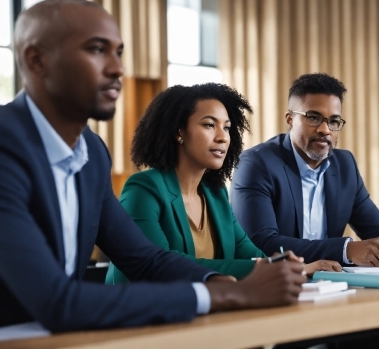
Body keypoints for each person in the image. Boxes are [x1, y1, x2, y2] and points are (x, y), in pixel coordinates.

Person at [0, 0, 306, 332]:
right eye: (97, 50)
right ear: (37, 60)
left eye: (119, 52)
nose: (117, 69)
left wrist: (225, 282)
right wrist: (226, 295)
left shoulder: (92, 152)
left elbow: (144, 258)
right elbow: (58, 302)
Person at [106, 84, 340, 284]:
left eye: (227, 127)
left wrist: (296, 266)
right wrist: (269, 269)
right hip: (140, 323)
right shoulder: (144, 189)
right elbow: (158, 265)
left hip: (202, 315)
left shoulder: (215, 194)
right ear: (179, 132)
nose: (223, 137)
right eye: (209, 125)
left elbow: (250, 255)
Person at [231, 73, 379, 268]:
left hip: (332, 285)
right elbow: (262, 244)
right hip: (275, 286)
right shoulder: (257, 164)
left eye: (333, 121)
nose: (325, 130)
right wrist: (346, 250)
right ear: (290, 119)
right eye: (314, 118)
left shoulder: (345, 165)